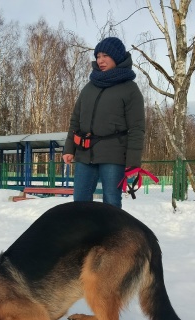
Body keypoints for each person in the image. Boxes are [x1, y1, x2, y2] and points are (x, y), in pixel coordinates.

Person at [63, 36, 145, 209]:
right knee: (80, 202)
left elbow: (137, 128)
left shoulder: (130, 89)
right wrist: (69, 148)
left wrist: (133, 161)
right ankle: (85, 228)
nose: (100, 60)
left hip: (113, 156)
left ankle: (112, 229)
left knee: (111, 202)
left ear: (117, 57)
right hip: (84, 154)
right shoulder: (89, 87)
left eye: (105, 56)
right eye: (98, 56)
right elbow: (75, 120)